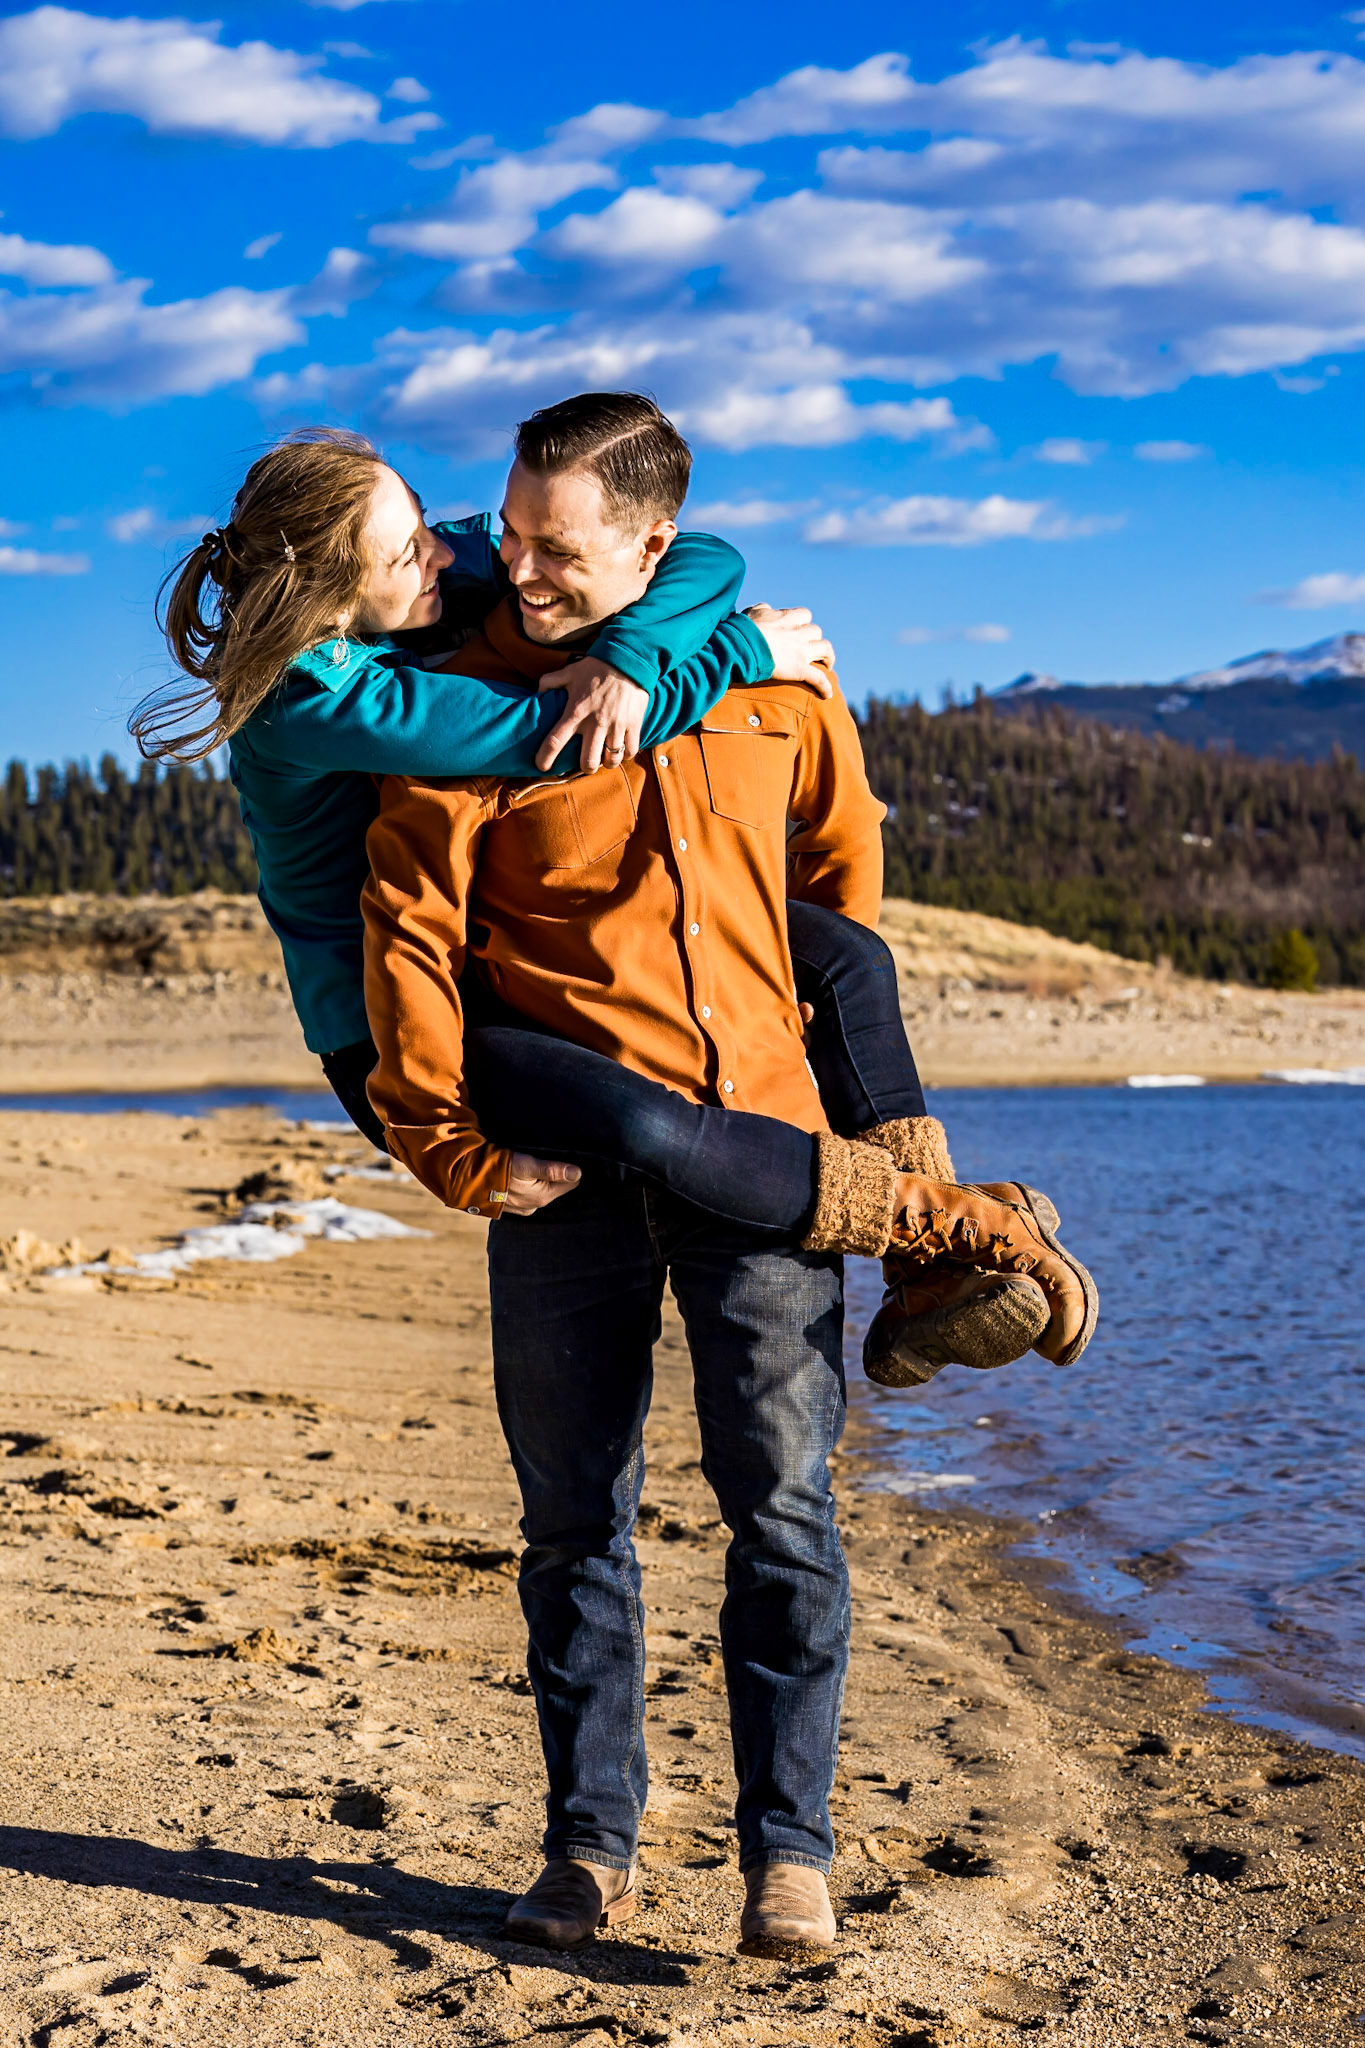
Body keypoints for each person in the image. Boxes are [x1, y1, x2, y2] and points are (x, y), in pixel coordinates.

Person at [359, 392, 1097, 1952]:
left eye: (556, 546)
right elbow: (412, 936)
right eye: (508, 531)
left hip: (765, 1149)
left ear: (652, 544)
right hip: (564, 1173)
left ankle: (789, 1856)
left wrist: (841, 1084)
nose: (520, 566)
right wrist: (448, 1148)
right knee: (575, 1525)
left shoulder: (773, 694)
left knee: (786, 1516)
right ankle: (588, 1850)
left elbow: (837, 896)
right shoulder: (460, 704)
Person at [134, 412, 1087, 1385]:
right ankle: (944, 1218)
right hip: (408, 1025)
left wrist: (628, 652)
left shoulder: (430, 567)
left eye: (420, 518)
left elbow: (701, 553)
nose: (441, 552)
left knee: (844, 956)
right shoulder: (310, 700)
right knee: (644, 1124)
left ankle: (926, 1271)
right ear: (336, 595)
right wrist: (736, 658)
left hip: (529, 938)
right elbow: (555, 730)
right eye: (404, 550)